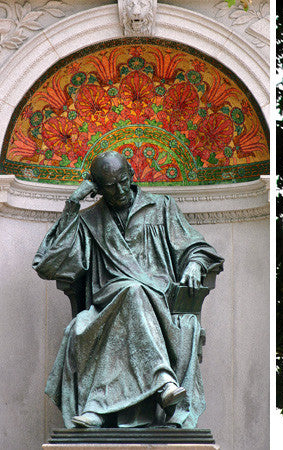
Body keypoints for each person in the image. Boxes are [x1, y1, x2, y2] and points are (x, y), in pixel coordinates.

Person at [34, 150, 222, 428]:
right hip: (106, 304)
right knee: (128, 293)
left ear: (132, 174)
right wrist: (72, 204)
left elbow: (197, 246)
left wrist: (195, 262)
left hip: (158, 300)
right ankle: (163, 383)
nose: (120, 189)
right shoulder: (88, 220)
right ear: (96, 188)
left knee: (134, 291)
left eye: (123, 180)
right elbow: (49, 264)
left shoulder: (162, 207)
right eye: (109, 186)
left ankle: (97, 409)